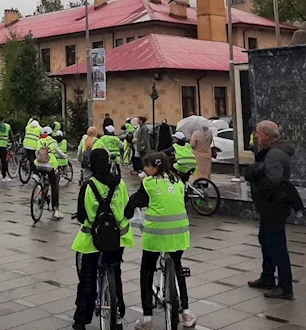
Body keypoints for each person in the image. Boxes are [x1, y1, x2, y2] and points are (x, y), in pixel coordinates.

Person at [127, 152, 196, 329]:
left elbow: (135, 201)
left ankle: (147, 319)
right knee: (178, 268)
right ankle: (186, 314)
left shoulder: (149, 183)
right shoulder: (178, 181)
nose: (144, 169)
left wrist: (126, 212)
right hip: (180, 234)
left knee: (146, 271)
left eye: (147, 166)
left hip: (156, 236)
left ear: (155, 167)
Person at [72, 148, 134, 330]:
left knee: (88, 277)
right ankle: (119, 314)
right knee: (115, 273)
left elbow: (82, 217)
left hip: (93, 238)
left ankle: (81, 319)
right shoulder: (120, 183)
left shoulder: (88, 186)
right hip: (118, 236)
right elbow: (127, 209)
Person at [244, 120, 298, 300]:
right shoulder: (274, 151)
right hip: (270, 206)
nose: (257, 137)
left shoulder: (274, 154)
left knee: (277, 245)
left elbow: (272, 181)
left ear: (266, 135)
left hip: (274, 205)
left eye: (258, 134)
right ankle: (267, 277)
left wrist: (255, 173)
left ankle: (285, 287)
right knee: (266, 240)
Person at [34, 126, 64, 220]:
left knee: (42, 178)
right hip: (50, 166)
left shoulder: (39, 141)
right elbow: (59, 152)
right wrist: (65, 156)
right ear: (51, 134)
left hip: (38, 165)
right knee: (54, 186)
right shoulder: (53, 141)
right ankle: (56, 210)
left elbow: (36, 153)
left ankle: (40, 190)